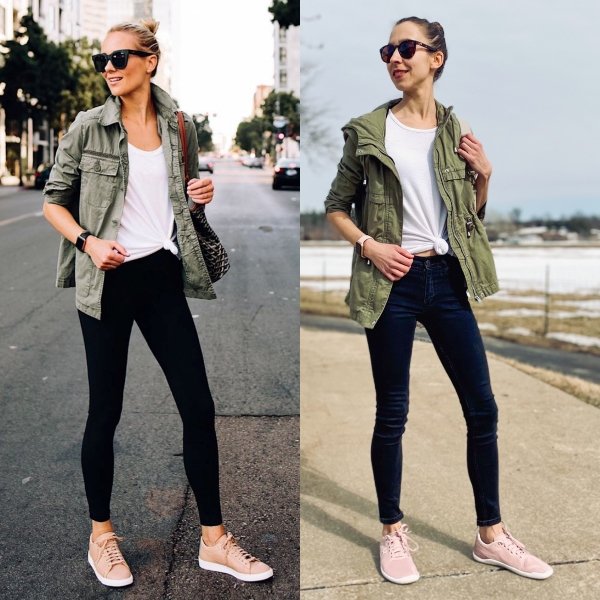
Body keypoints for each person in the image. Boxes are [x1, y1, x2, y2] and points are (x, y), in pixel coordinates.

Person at [42, 18, 272, 588]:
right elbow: (54, 201)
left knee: (198, 406)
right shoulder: (88, 127)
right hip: (108, 280)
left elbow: (184, 202)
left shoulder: (179, 127)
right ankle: (102, 536)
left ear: (150, 60)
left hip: (163, 274)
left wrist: (200, 198)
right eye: (104, 61)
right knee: (106, 411)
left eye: (120, 58)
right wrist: (88, 242)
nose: (109, 69)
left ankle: (214, 541)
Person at [324, 16, 552, 585]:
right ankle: (392, 531)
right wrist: (371, 246)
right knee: (393, 413)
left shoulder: (455, 128)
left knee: (483, 408)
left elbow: (468, 221)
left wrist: (485, 177)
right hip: (392, 283)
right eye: (388, 50)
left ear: (437, 58)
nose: (395, 58)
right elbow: (335, 206)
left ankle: (491, 536)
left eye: (407, 48)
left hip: (447, 280)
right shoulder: (368, 132)